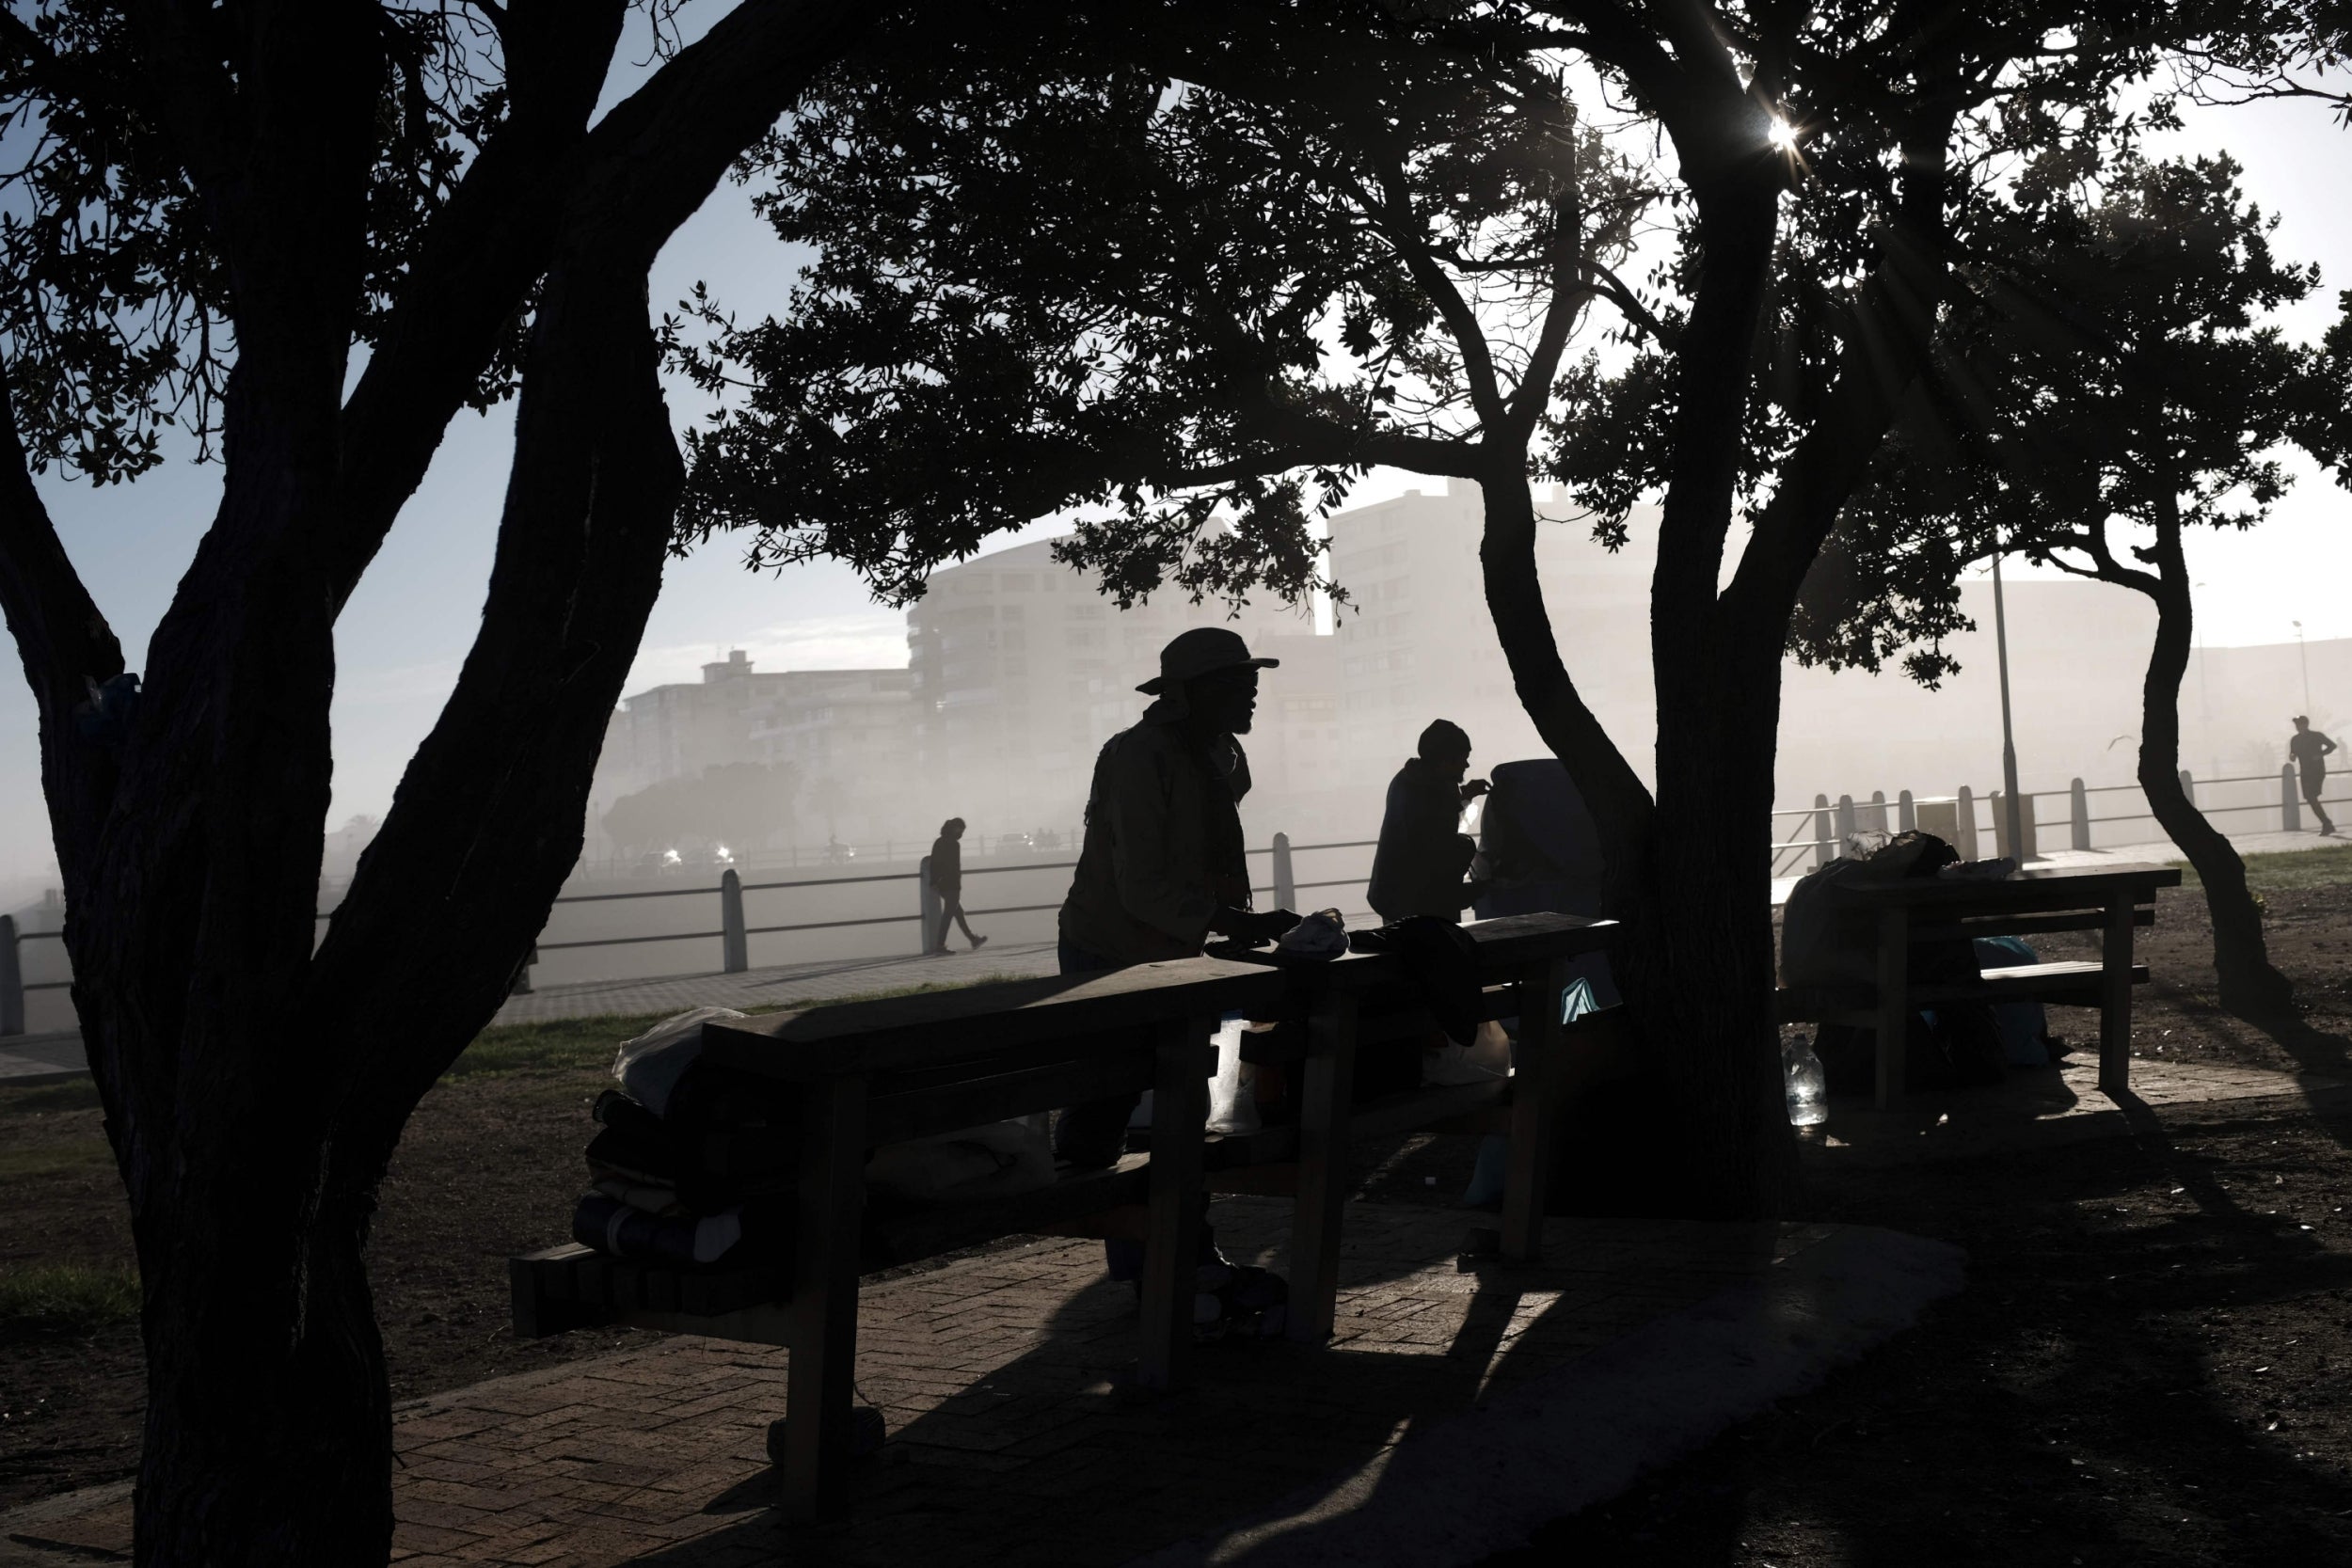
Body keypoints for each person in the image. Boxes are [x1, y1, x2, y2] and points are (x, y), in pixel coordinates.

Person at [1054, 626, 1299, 1167]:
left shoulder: (1215, 753)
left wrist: (1229, 921)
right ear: (1195, 692)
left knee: (1186, 1098)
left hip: (1171, 949)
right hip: (1108, 950)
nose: (1253, 692)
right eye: (1239, 682)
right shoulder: (1140, 758)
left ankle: (1179, 1240)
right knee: (1105, 1103)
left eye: (1252, 679)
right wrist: (1233, 922)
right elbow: (1140, 885)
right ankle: (1104, 1218)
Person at [1367, 720, 1491, 923]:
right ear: (1444, 761)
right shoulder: (1433, 796)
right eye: (1462, 759)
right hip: (1416, 905)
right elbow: (1437, 861)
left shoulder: (1409, 778)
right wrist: (1477, 889)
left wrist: (1465, 793)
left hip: (1391, 895)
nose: (1467, 765)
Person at [926, 817, 987, 955]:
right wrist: (957, 885)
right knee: (948, 915)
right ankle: (940, 946)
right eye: (961, 830)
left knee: (958, 912)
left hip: (942, 884)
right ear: (955, 828)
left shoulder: (939, 842)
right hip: (952, 885)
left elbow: (934, 863)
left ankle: (973, 939)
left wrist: (934, 881)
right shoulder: (953, 844)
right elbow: (954, 867)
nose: (962, 833)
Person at [2291, 716, 2337, 836]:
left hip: (2317, 771)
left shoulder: (2316, 736)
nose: (2297, 726)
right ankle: (2327, 823)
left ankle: (2327, 824)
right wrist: (2292, 756)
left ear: (2306, 724)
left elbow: (2332, 745)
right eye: (2296, 724)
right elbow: (2293, 753)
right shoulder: (2295, 739)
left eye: (2300, 724)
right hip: (2305, 772)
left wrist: (2320, 754)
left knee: (2312, 797)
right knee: (2311, 799)